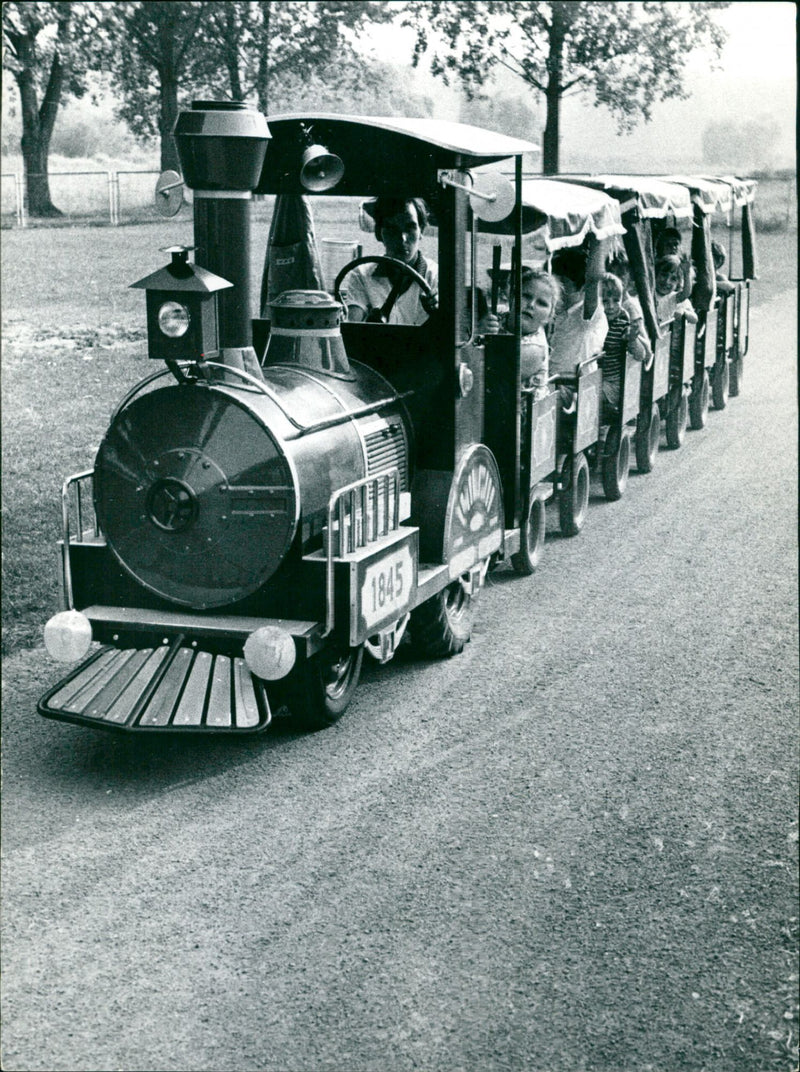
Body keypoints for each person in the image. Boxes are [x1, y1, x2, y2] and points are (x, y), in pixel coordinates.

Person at [345, 197, 438, 325]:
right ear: (379, 233)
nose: (402, 238)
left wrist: (437, 313)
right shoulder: (361, 275)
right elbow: (352, 325)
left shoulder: (436, 277)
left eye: (410, 227)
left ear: (421, 231)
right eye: (392, 229)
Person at [478, 266, 562, 399]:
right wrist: (478, 330)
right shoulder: (498, 316)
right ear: (512, 296)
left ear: (548, 316)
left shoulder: (535, 349)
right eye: (526, 296)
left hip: (519, 413)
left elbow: (491, 375)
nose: (531, 305)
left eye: (542, 303)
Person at [549, 240, 607, 413]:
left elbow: (593, 281)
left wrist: (598, 241)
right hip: (552, 380)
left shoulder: (587, 315)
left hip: (575, 386)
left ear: (580, 288)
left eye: (563, 285)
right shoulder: (556, 313)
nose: (556, 290)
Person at [599, 273, 647, 413]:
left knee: (588, 396)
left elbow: (640, 355)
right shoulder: (593, 325)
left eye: (616, 300)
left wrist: (632, 339)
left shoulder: (621, 325)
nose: (611, 306)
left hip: (613, 383)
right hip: (594, 379)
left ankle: (600, 433)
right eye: (605, 301)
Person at [607, 252, 653, 370]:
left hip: (626, 365)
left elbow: (644, 343)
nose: (616, 279)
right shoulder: (608, 302)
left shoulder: (629, 306)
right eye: (612, 274)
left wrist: (632, 337)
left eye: (621, 275)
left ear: (629, 277)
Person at [655, 255, 698, 325]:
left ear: (678, 282)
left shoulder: (673, 298)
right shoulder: (650, 294)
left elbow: (686, 293)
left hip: (665, 334)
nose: (667, 281)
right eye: (663, 275)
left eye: (673, 279)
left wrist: (686, 274)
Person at [655, 226, 694, 302]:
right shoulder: (655, 265)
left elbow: (685, 293)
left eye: (675, 244)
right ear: (660, 247)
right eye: (668, 245)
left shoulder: (682, 265)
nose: (673, 248)